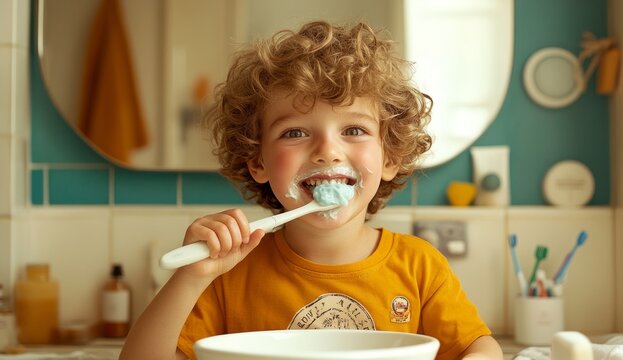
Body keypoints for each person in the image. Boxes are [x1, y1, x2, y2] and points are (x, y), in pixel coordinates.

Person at [120, 21, 503, 360]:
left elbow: (481, 348)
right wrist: (191, 277)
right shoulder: (230, 273)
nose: (327, 152)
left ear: (390, 158)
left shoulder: (420, 267)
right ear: (258, 161)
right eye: (295, 132)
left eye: (354, 130)